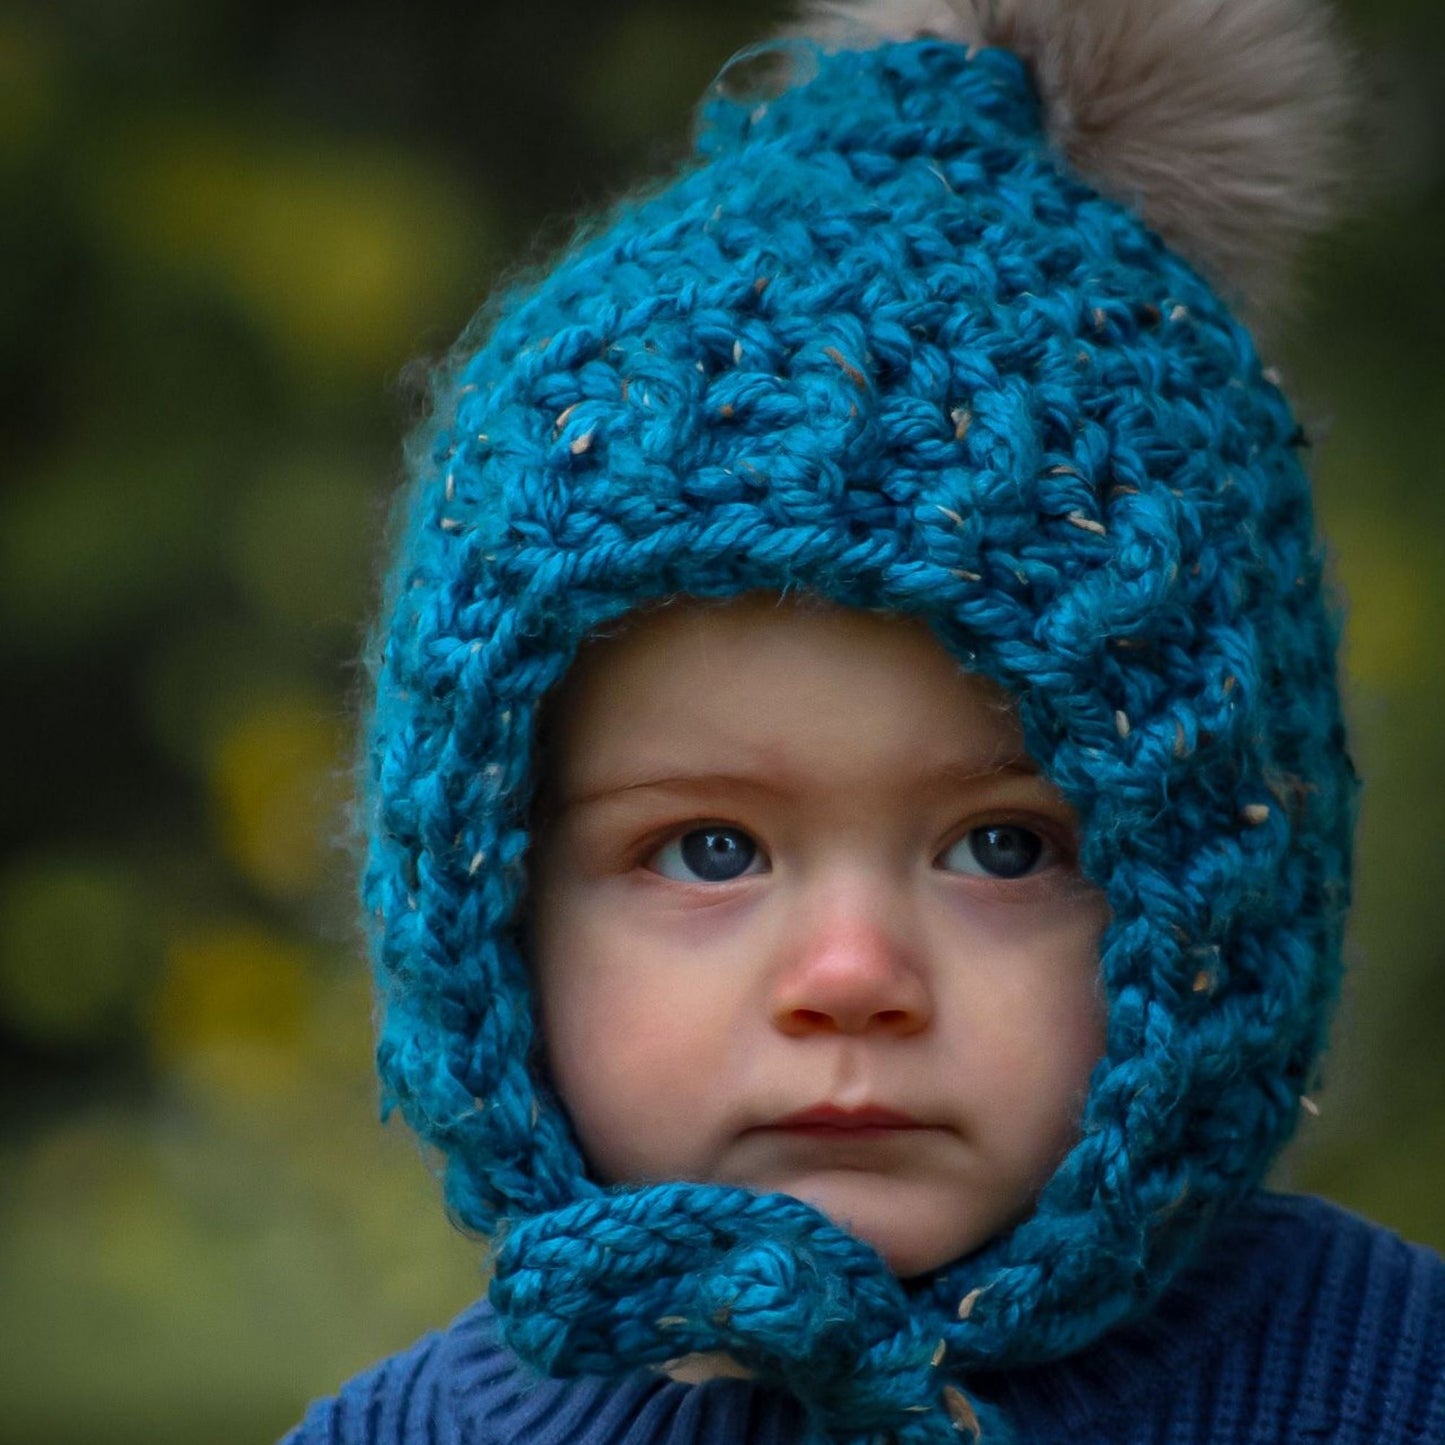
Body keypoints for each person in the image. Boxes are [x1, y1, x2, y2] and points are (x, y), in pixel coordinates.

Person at [284, 0, 1445, 1440]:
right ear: (486, 909)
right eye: (709, 847)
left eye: (1004, 849)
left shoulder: (1389, 1383)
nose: (850, 975)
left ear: (1231, 895)